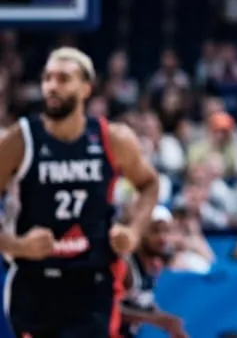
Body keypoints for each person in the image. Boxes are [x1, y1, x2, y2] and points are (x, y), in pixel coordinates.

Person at [0, 47, 160, 338]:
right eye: (47, 78)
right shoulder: (20, 139)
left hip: (93, 281)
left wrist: (134, 231)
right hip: (35, 284)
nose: (51, 86)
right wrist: (15, 245)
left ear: (86, 88)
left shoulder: (113, 138)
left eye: (63, 79)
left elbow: (149, 184)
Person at [118, 205, 188, 338]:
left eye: (166, 231)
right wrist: (155, 320)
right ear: (142, 233)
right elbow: (109, 309)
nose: (162, 238)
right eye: (155, 231)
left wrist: (169, 323)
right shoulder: (126, 265)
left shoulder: (153, 266)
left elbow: (143, 303)